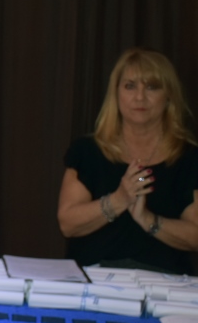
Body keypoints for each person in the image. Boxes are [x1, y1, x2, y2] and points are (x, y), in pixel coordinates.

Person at [58, 48, 198, 273]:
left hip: (166, 285)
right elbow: (67, 223)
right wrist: (119, 199)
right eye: (130, 86)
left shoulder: (190, 158)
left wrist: (148, 220)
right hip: (95, 278)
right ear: (116, 93)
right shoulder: (88, 151)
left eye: (152, 87)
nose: (140, 97)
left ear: (169, 95)